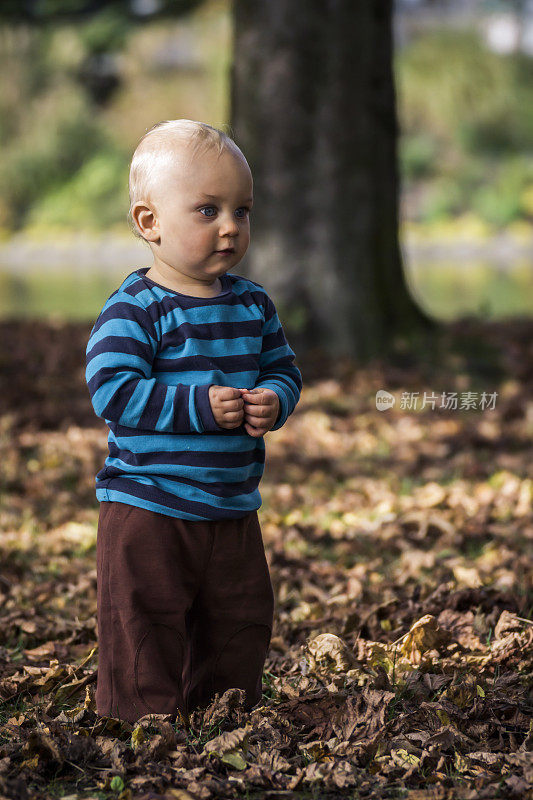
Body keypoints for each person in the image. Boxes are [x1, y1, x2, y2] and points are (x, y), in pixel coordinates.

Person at [85, 119, 302, 724]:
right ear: (149, 222)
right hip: (148, 506)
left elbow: (284, 369)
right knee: (145, 623)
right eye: (207, 210)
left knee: (238, 619)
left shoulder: (252, 303)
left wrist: (274, 401)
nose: (230, 226)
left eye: (242, 210)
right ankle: (142, 725)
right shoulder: (136, 309)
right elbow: (114, 391)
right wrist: (199, 406)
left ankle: (222, 715)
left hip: (232, 507)